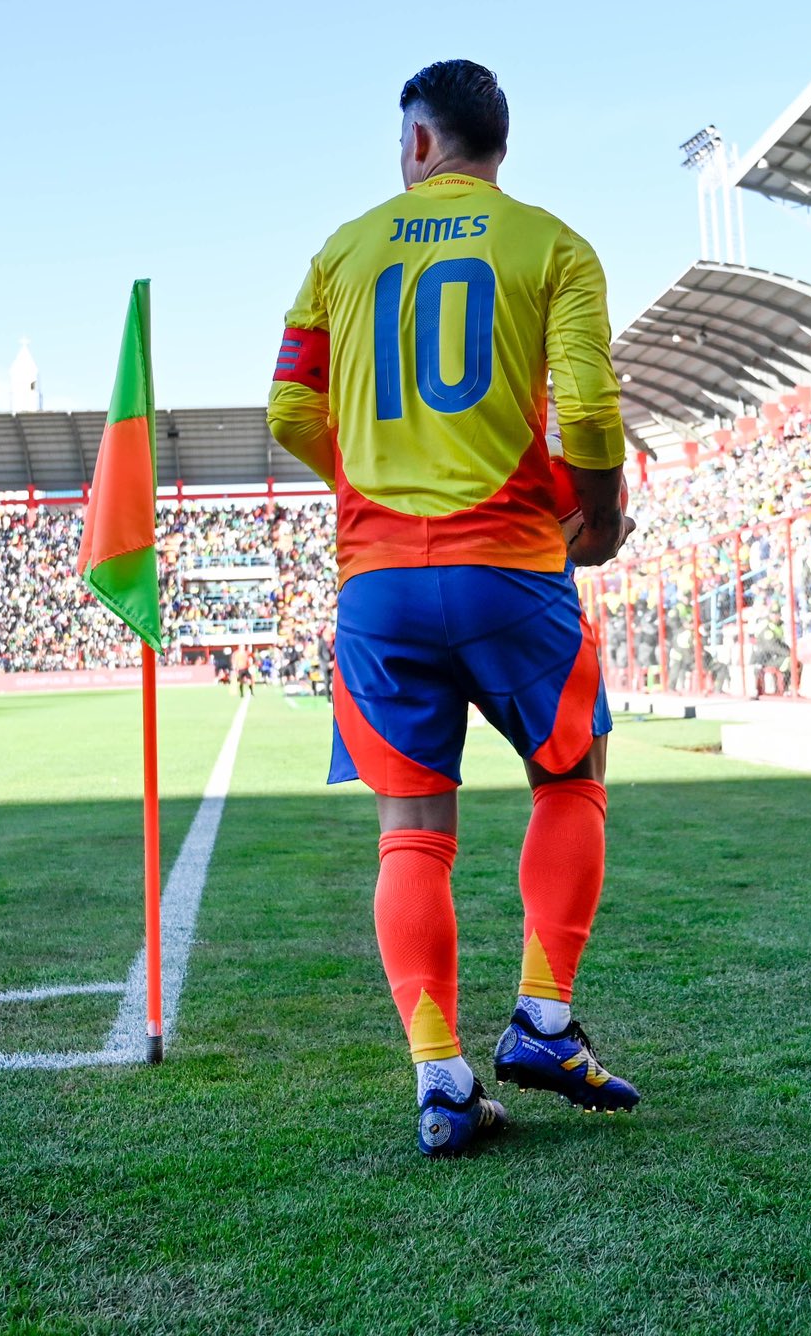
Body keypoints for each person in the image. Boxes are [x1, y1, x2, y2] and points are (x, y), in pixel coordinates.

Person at [267, 59, 638, 1159]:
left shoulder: (341, 251)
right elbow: (588, 406)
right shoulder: (553, 246)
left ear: (420, 142)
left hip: (377, 582)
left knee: (411, 835)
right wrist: (599, 514)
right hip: (510, 564)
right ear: (497, 145)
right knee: (570, 773)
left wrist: (370, 482)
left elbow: (287, 408)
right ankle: (542, 1017)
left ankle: (440, 1081)